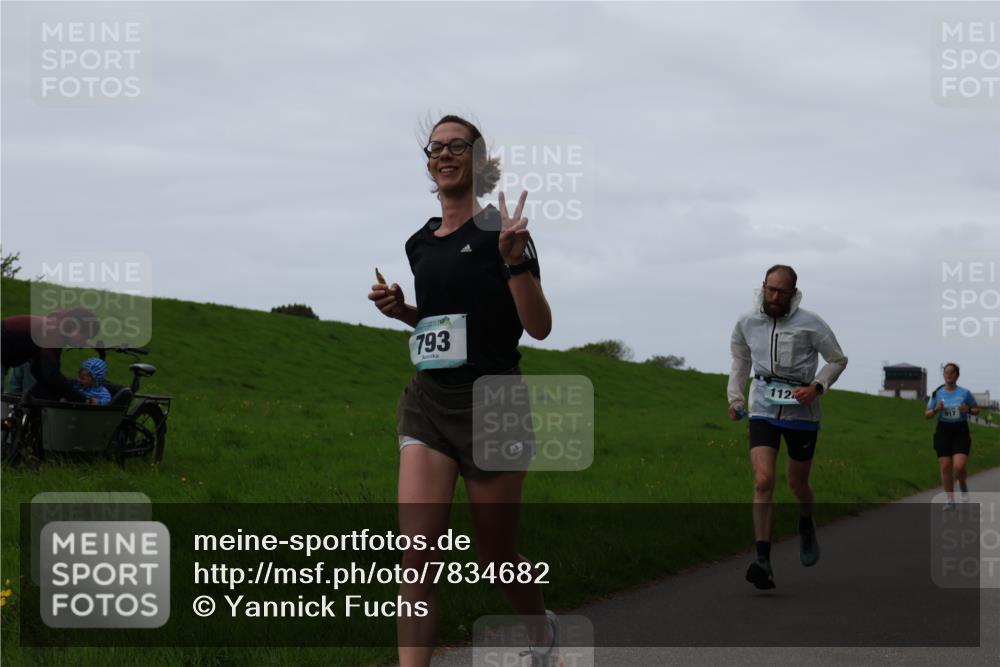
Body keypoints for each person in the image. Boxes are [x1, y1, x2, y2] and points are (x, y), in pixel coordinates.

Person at [368, 115, 557, 667]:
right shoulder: (420, 244)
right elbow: (445, 325)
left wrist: (515, 261)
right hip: (429, 405)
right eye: (436, 147)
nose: (445, 153)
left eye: (458, 146)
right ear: (429, 162)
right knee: (416, 560)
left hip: (495, 407)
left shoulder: (504, 231)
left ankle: (540, 633)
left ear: (477, 161)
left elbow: (538, 326)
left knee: (496, 559)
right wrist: (403, 310)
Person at [727, 265, 848, 590]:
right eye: (770, 289)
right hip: (763, 408)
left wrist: (817, 387)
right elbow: (740, 361)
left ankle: (806, 523)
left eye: (781, 292)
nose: (774, 297)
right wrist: (736, 398)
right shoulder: (747, 321)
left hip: (802, 413)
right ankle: (763, 560)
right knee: (763, 481)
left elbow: (837, 360)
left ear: (793, 293)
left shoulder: (811, 323)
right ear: (763, 287)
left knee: (798, 485)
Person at [1, 309, 99, 402]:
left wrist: (64, 394)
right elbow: (51, 374)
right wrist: (82, 400)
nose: (84, 342)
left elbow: (39, 371)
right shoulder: (54, 332)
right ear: (75, 328)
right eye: (85, 337)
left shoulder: (56, 329)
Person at [924, 363, 979, 508]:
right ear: (943, 375)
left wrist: (967, 409)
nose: (948, 375)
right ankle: (950, 500)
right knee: (946, 466)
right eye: (946, 373)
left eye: (951, 373)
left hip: (960, 431)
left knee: (959, 466)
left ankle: (962, 484)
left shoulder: (965, 393)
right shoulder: (937, 393)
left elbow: (976, 410)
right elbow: (927, 414)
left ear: (957, 375)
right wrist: (936, 409)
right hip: (943, 430)